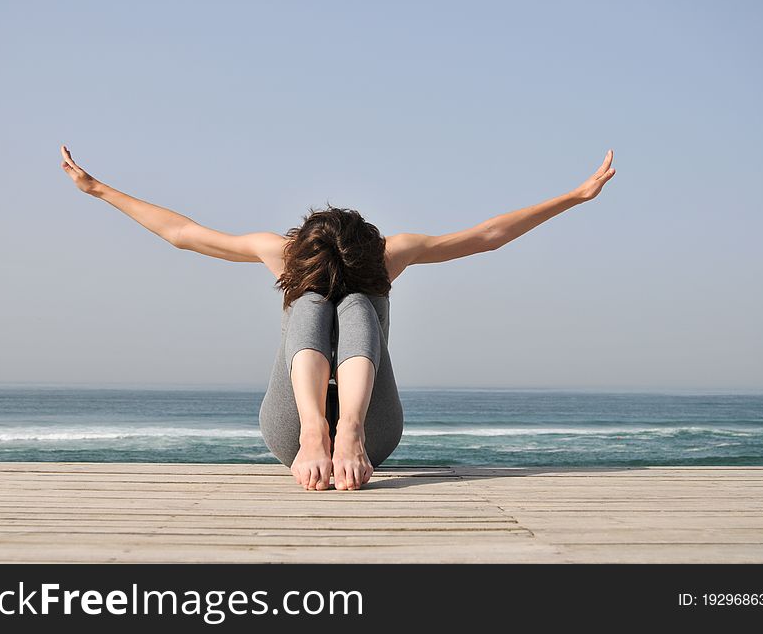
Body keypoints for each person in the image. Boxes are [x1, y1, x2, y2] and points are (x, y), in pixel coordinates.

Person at [60, 144, 616, 491]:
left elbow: (488, 237)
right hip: (293, 433)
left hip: (371, 432)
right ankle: (317, 429)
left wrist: (574, 196)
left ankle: (343, 429)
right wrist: (99, 190)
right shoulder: (282, 253)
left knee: (354, 304)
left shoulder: (387, 255)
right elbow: (183, 235)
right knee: (311, 304)